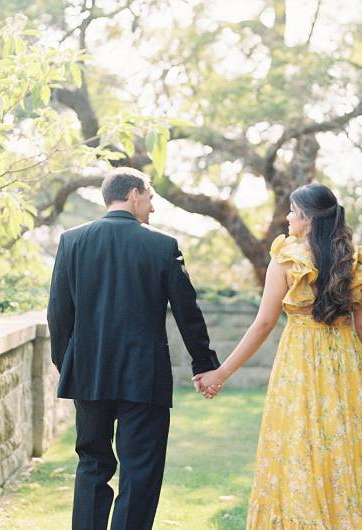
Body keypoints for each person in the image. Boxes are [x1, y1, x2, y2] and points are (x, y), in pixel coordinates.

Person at [194, 182, 362, 528]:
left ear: (307, 219)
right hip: (347, 365)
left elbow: (263, 324)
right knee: (348, 448)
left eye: (293, 211)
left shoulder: (287, 261)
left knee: (300, 444)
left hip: (300, 365)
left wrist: (221, 374)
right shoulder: (353, 261)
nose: (288, 217)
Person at [47, 168, 220, 530]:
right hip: (145, 377)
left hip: (89, 375)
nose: (153, 208)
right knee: (140, 469)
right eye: (151, 198)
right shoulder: (162, 246)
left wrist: (70, 365)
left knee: (92, 464)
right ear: (134, 194)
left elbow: (59, 314)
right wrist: (203, 363)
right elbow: (188, 313)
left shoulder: (72, 241)